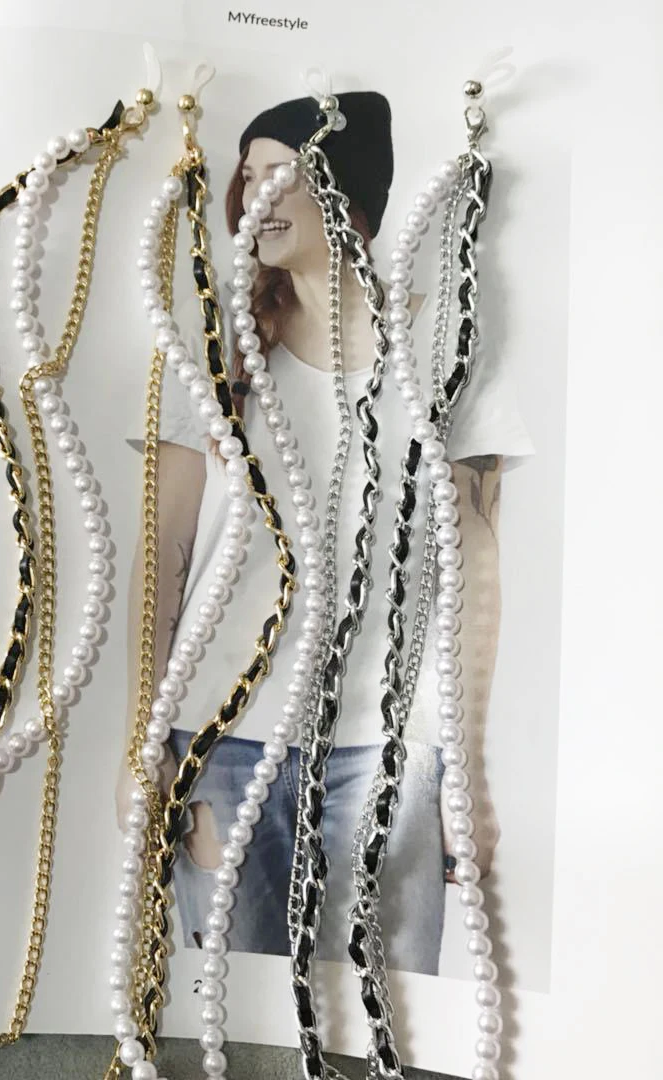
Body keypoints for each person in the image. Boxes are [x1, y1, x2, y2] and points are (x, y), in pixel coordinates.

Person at [117, 92, 532, 976]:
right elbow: (163, 556)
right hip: (220, 742)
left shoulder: (448, 344)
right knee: (231, 1006)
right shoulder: (219, 345)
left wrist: (467, 770)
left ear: (347, 196)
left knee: (383, 1012)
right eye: (248, 176)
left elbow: (475, 567)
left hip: (389, 752)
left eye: (281, 174)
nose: (255, 196)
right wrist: (138, 745)